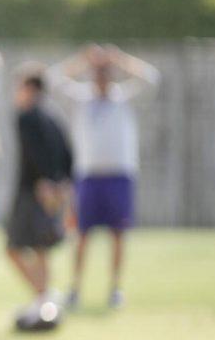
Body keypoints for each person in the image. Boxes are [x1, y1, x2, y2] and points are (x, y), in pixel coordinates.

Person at [49, 45, 160, 310]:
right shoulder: (82, 98)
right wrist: (83, 59)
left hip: (119, 175)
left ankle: (115, 288)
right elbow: (53, 80)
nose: (100, 79)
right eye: (97, 73)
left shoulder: (123, 98)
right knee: (81, 234)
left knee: (118, 234)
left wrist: (120, 59)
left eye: (105, 73)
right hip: (88, 177)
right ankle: (75, 288)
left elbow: (152, 78)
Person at [5, 64, 73, 317]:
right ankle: (44, 295)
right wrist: (63, 182)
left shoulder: (27, 116)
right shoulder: (53, 117)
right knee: (41, 248)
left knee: (13, 247)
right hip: (53, 190)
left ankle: (43, 296)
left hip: (33, 192)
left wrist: (45, 181)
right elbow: (68, 152)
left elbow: (35, 153)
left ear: (30, 88)